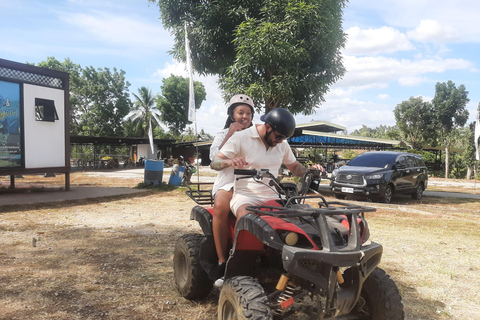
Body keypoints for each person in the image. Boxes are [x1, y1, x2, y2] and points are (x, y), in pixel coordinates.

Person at [211, 107, 310, 221]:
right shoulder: (241, 137)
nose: (280, 141)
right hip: (246, 196)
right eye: (278, 137)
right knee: (246, 218)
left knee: (299, 219)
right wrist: (228, 161)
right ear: (267, 127)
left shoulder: (282, 144)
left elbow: (295, 167)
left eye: (284, 138)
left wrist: (310, 171)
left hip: (274, 195)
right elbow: (214, 162)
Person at [209, 94, 254, 275]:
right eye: (240, 112)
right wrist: (230, 134)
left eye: (248, 113)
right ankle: (222, 260)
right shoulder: (222, 134)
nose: (244, 117)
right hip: (227, 181)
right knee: (221, 205)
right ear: (231, 114)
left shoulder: (256, 135)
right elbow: (214, 160)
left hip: (251, 182)